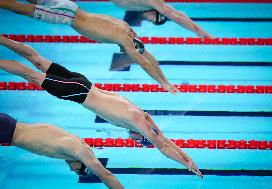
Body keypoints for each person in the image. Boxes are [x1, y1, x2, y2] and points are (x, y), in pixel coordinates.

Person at [0, 36, 203, 179]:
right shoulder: (139, 123)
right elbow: (162, 146)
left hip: (83, 83)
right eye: (142, 142)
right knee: (30, 74)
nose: (136, 141)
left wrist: (188, 157)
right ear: (145, 134)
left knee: (38, 61)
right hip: (78, 92)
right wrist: (186, 164)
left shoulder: (138, 112)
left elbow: (163, 139)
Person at [0, 0, 179, 95]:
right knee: (20, 8)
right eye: (127, 51)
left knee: (33, 1)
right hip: (66, 16)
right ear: (132, 46)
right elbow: (144, 62)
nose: (124, 52)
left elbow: (148, 56)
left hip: (72, 7)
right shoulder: (125, 40)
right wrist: (162, 83)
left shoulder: (127, 29)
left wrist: (166, 81)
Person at [0, 113, 124, 189]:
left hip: (7, 128)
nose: (71, 169)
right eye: (76, 170)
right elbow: (106, 175)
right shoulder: (76, 149)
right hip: (6, 130)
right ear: (83, 163)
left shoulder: (73, 143)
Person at [110, 0, 214, 38]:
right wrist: (199, 32)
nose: (150, 21)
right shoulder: (156, 4)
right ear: (157, 14)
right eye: (153, 20)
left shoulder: (145, 7)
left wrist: (200, 30)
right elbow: (176, 18)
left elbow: (178, 14)